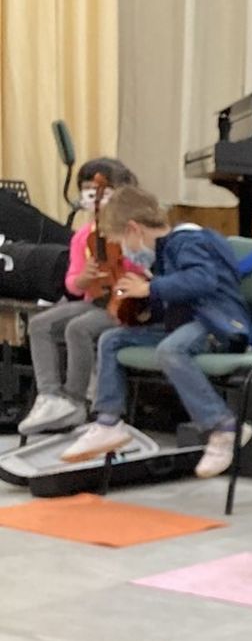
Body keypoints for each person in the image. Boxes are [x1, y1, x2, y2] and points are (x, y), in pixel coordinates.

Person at [60, 187, 252, 478]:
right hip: (185, 326)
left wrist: (150, 287)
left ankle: (225, 426)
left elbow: (203, 280)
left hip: (218, 326)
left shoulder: (188, 240)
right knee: (112, 339)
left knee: (170, 349)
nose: (125, 251)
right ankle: (109, 421)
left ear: (134, 229)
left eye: (121, 242)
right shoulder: (162, 252)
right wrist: (145, 307)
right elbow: (174, 302)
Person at [18, 158, 141, 436]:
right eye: (88, 192)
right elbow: (72, 286)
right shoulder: (83, 236)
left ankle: (75, 400)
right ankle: (50, 397)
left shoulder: (132, 229)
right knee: (40, 324)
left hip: (124, 304)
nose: (95, 198)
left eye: (102, 192)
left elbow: (142, 271)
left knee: (79, 328)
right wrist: (85, 277)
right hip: (93, 301)